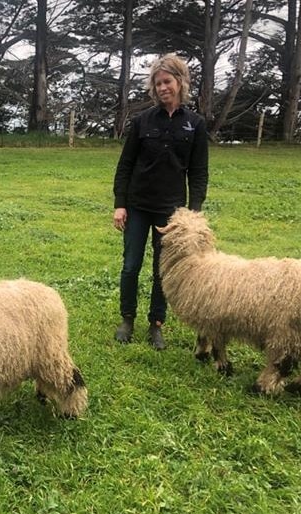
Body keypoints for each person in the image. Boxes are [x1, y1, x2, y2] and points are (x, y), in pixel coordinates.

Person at [112, 53, 209, 350]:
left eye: (168, 81)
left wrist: (192, 214)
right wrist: (120, 203)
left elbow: (198, 172)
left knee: (161, 270)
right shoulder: (142, 121)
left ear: (180, 82)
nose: (163, 87)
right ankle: (127, 318)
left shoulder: (195, 124)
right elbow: (125, 164)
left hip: (172, 212)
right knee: (131, 265)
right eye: (158, 83)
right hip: (139, 204)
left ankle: (156, 323)